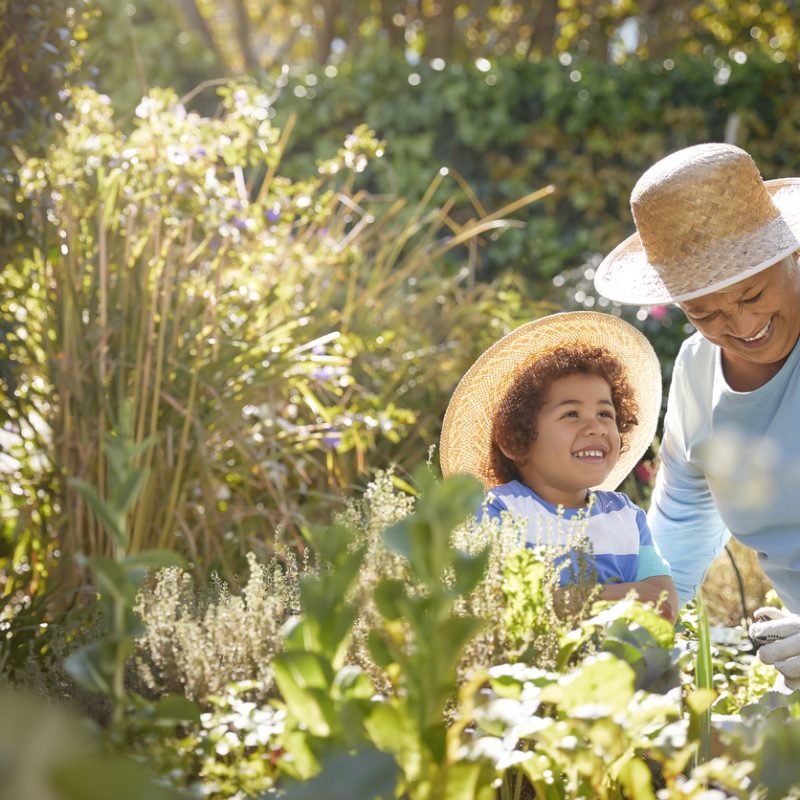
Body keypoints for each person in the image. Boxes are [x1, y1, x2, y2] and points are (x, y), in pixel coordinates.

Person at [593, 141, 800, 686]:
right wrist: (625, 642)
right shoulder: (697, 371)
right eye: (704, 311)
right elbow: (681, 528)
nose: (740, 324)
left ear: (792, 253)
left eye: (753, 292)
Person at [439, 311, 678, 623]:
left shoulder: (626, 517)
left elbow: (664, 603)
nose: (596, 427)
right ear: (516, 441)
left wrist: (566, 599)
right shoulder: (499, 512)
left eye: (606, 414)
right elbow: (505, 605)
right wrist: (628, 595)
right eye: (571, 414)